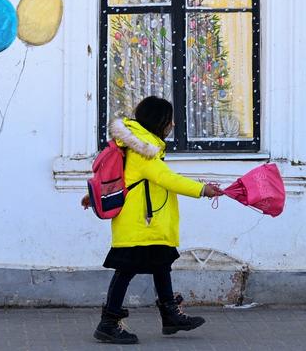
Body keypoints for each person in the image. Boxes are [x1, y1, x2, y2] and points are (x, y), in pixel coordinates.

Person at [81, 96, 223, 344]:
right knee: (125, 270)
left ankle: (170, 316)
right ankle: (108, 323)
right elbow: (167, 179)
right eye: (169, 121)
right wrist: (202, 190)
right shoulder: (144, 150)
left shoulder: (137, 145)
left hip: (149, 223)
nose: (172, 126)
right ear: (159, 121)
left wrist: (93, 198)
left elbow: (124, 179)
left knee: (161, 265)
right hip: (139, 224)